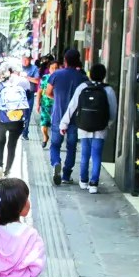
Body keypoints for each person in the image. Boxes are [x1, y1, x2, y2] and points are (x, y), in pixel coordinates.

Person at [58, 62, 118, 192]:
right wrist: (108, 124)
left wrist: (64, 123)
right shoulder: (108, 90)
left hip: (83, 126)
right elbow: (113, 111)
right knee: (96, 155)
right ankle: (94, 184)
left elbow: (72, 106)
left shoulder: (82, 87)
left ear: (90, 74)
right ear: (104, 75)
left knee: (84, 154)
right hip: (100, 128)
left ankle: (83, 181)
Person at [46, 49, 86, 186]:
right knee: (71, 147)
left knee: (55, 145)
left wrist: (57, 98)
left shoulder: (56, 74)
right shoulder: (82, 78)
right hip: (75, 119)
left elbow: (48, 92)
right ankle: (66, 175)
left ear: (65, 61)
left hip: (58, 116)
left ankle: (56, 163)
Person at [0, 64, 31, 177]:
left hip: (1, 117)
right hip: (17, 119)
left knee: (0, 141)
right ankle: (7, 170)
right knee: (12, 145)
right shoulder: (23, 82)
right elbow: (28, 98)